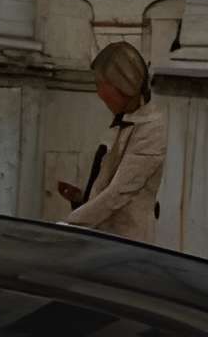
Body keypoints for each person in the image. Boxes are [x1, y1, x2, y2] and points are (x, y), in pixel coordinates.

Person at [56, 42, 167, 242]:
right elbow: (108, 182)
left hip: (127, 245)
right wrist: (82, 197)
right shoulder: (125, 120)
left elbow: (119, 192)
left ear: (124, 86)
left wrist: (69, 226)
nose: (99, 94)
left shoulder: (152, 128)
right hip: (104, 239)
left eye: (102, 85)